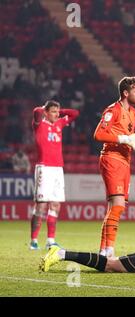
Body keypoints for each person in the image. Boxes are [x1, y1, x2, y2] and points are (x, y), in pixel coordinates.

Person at [93, 76, 135, 258]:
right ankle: (109, 250)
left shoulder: (134, 113)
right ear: (125, 93)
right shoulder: (112, 110)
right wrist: (124, 139)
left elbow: (130, 138)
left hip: (125, 162)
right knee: (118, 206)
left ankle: (103, 250)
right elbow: (98, 135)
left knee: (114, 207)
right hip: (111, 158)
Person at [30, 100, 79, 250]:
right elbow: (36, 111)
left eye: (57, 112)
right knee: (41, 206)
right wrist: (46, 108)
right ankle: (34, 240)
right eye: (53, 112)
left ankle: (50, 240)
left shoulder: (59, 124)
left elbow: (75, 113)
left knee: (56, 204)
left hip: (58, 168)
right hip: (44, 168)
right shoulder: (39, 124)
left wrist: (59, 111)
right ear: (46, 112)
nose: (56, 114)